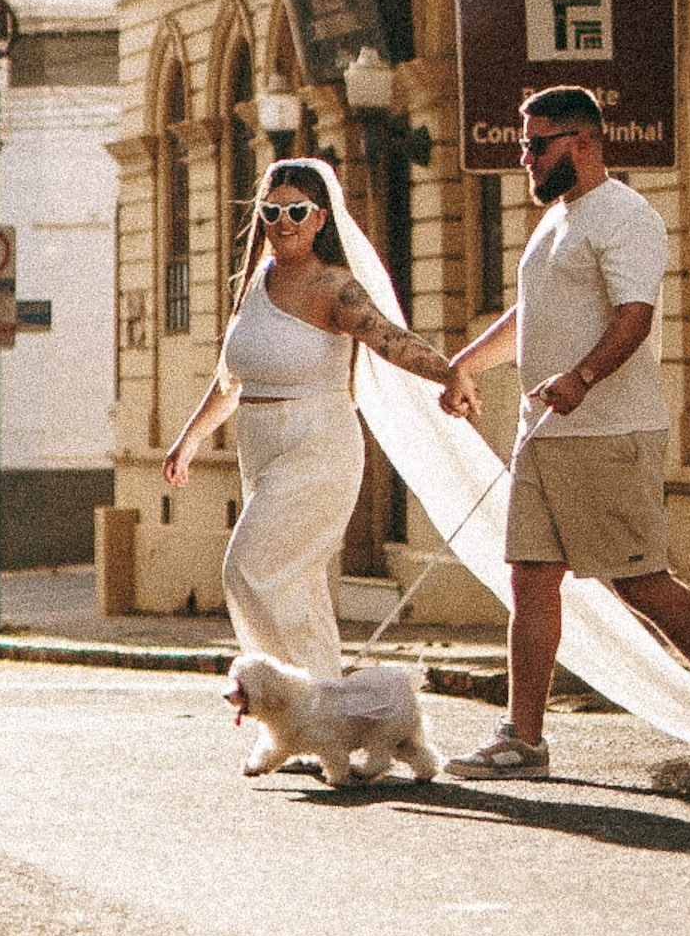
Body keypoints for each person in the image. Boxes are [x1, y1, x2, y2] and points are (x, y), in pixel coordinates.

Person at [436, 85, 690, 777]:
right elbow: (530, 316)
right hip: (544, 432)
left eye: (536, 145)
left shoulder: (625, 215)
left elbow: (634, 316)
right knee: (532, 579)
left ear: (583, 141)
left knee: (640, 580)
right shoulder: (556, 220)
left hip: (608, 432)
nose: (525, 159)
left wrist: (582, 377)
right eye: (524, 145)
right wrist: (464, 365)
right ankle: (523, 739)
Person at [165, 156, 466, 687]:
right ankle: (319, 706)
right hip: (260, 448)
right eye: (271, 211)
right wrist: (188, 441)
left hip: (318, 445)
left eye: (297, 211)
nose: (283, 222)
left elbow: (389, 338)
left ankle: (295, 695)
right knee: (296, 585)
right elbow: (230, 379)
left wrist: (449, 374)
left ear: (321, 218)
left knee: (247, 569)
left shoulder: (334, 286)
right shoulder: (253, 283)